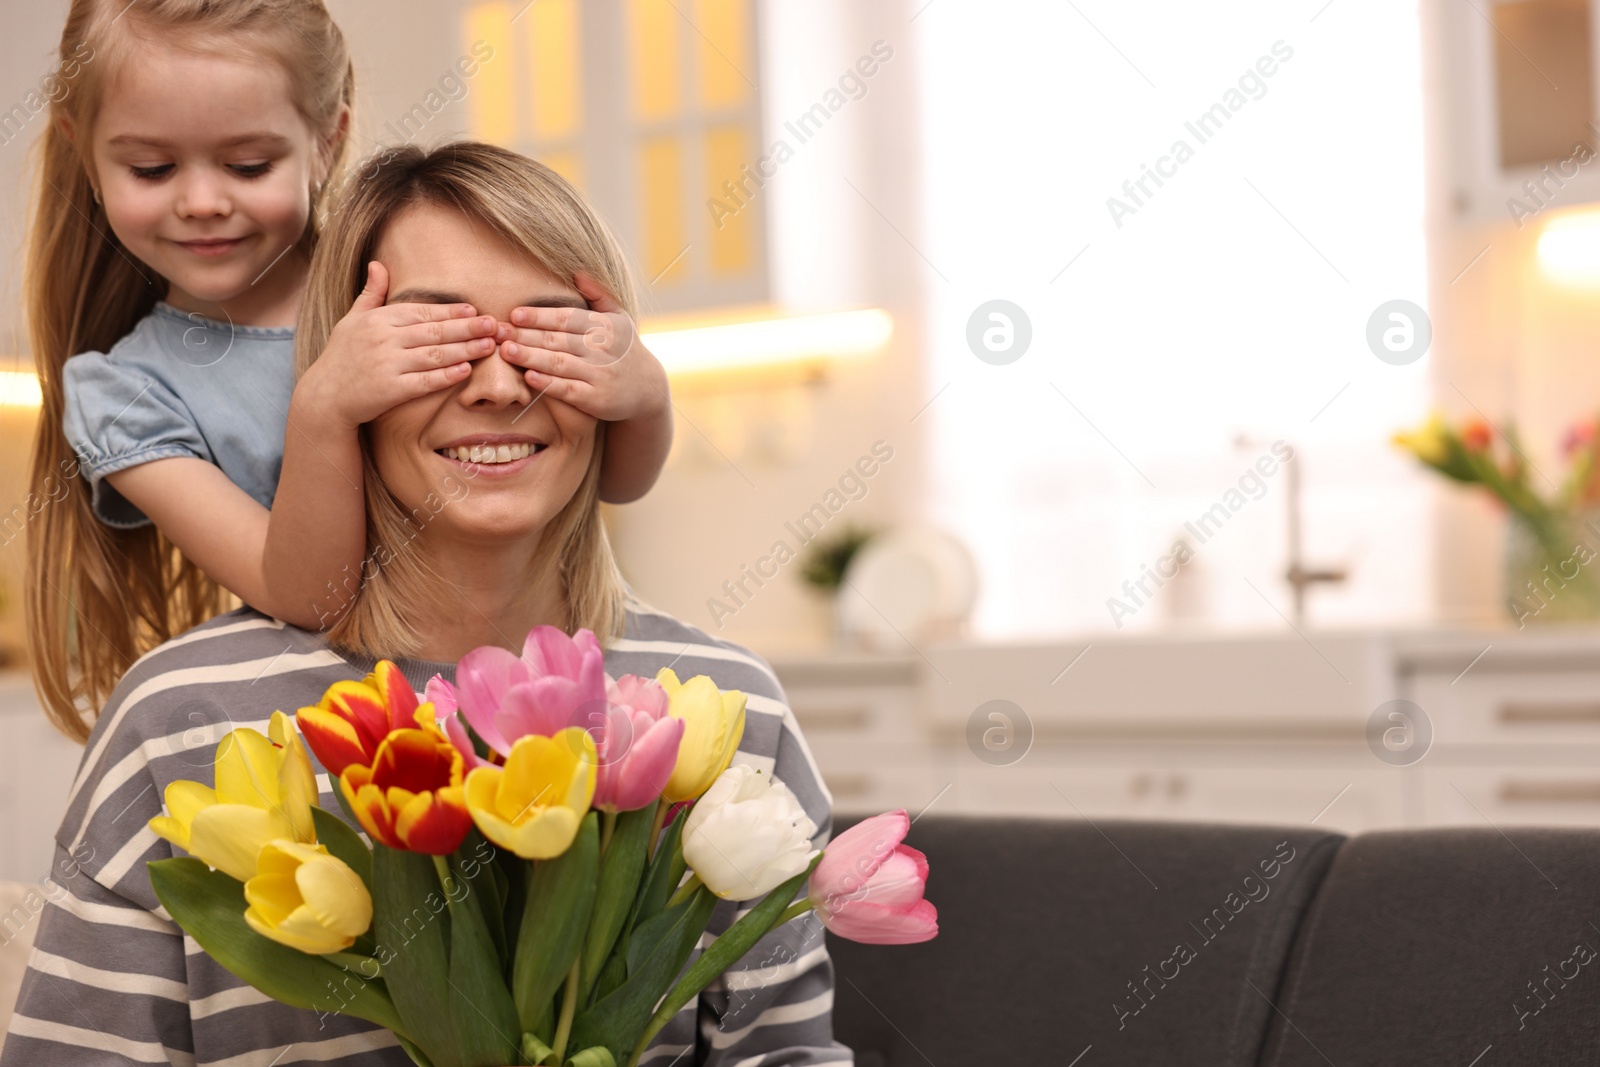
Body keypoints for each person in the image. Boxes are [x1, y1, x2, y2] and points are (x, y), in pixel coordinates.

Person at [2, 140, 853, 1066]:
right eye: (428, 340)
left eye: (551, 338)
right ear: (333, 377)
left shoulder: (730, 714)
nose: (497, 385)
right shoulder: (176, 721)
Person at [23, 0, 676, 747]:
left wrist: (645, 394)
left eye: (248, 165)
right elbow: (311, 595)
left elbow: (616, 481)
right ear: (85, 152)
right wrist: (324, 408)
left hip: (514, 669)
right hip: (327, 705)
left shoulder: (401, 263)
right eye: (151, 167)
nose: (203, 202)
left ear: (328, 139)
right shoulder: (123, 394)